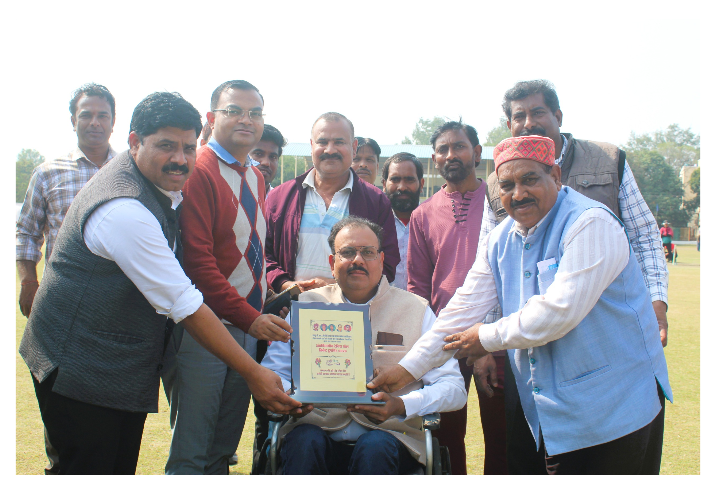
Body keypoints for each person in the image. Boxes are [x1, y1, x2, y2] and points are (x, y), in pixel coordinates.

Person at [19, 91, 302, 475]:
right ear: (135, 142)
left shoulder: (158, 184)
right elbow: (185, 302)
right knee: (86, 468)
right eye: (166, 146)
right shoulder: (125, 208)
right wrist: (254, 372)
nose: (180, 159)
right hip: (78, 365)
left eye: (188, 147)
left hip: (116, 363)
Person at [370, 136, 673, 475]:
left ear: (555, 176)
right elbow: (461, 310)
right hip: (552, 412)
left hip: (617, 408)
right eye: (507, 185)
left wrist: (484, 337)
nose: (518, 194)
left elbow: (558, 312)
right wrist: (406, 371)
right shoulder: (501, 238)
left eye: (530, 179)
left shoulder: (590, 222)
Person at [478, 80, 669, 473]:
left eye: (537, 112)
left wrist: (657, 301)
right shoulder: (500, 175)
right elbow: (490, 270)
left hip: (608, 347)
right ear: (509, 125)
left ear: (558, 116)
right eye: (518, 116)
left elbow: (645, 237)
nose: (528, 122)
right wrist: (484, 341)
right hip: (533, 350)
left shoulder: (607, 160)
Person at [261, 216, 467, 474]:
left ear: (381, 260)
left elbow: (454, 388)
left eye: (368, 252)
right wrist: (292, 396)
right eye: (347, 252)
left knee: (375, 446)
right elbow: (274, 373)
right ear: (332, 263)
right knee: (304, 441)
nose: (358, 260)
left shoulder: (417, 311)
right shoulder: (306, 306)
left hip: (391, 439)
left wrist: (402, 405)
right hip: (314, 431)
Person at [162, 81, 291, 475]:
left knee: (222, 446)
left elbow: (252, 254)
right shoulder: (198, 169)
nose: (246, 120)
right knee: (193, 450)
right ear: (212, 118)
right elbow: (198, 265)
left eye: (255, 113)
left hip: (246, 326)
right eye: (234, 111)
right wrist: (251, 318)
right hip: (206, 326)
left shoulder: (255, 175)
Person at [16, 82, 118, 474]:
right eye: (86, 115)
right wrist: (29, 282)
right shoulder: (48, 173)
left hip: (117, 309)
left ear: (113, 121)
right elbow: (27, 232)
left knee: (108, 413)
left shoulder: (131, 171)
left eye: (102, 115)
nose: (94, 122)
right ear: (72, 120)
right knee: (61, 408)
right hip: (62, 308)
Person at [406, 120, 502, 474]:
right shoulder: (423, 214)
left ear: (476, 153)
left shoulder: (501, 203)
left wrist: (487, 340)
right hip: (444, 340)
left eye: (459, 147)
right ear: (434, 159)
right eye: (442, 150)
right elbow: (417, 286)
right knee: (444, 437)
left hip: (497, 337)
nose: (450, 155)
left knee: (502, 435)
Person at [265, 112, 399, 295]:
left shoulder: (376, 202)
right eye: (322, 142)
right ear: (312, 146)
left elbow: (387, 263)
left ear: (353, 148)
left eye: (339, 142)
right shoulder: (280, 198)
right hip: (290, 307)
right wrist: (284, 284)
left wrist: (335, 287)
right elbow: (263, 254)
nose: (330, 150)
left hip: (352, 308)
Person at [381, 152, 424, 291]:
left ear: (421, 184)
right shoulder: (375, 222)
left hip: (425, 302)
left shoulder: (432, 220)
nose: (402, 187)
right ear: (384, 184)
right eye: (395, 179)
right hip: (383, 301)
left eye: (409, 180)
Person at [251, 124, 286, 197]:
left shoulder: (284, 202)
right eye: (258, 154)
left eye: (273, 157)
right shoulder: (229, 197)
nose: (266, 163)